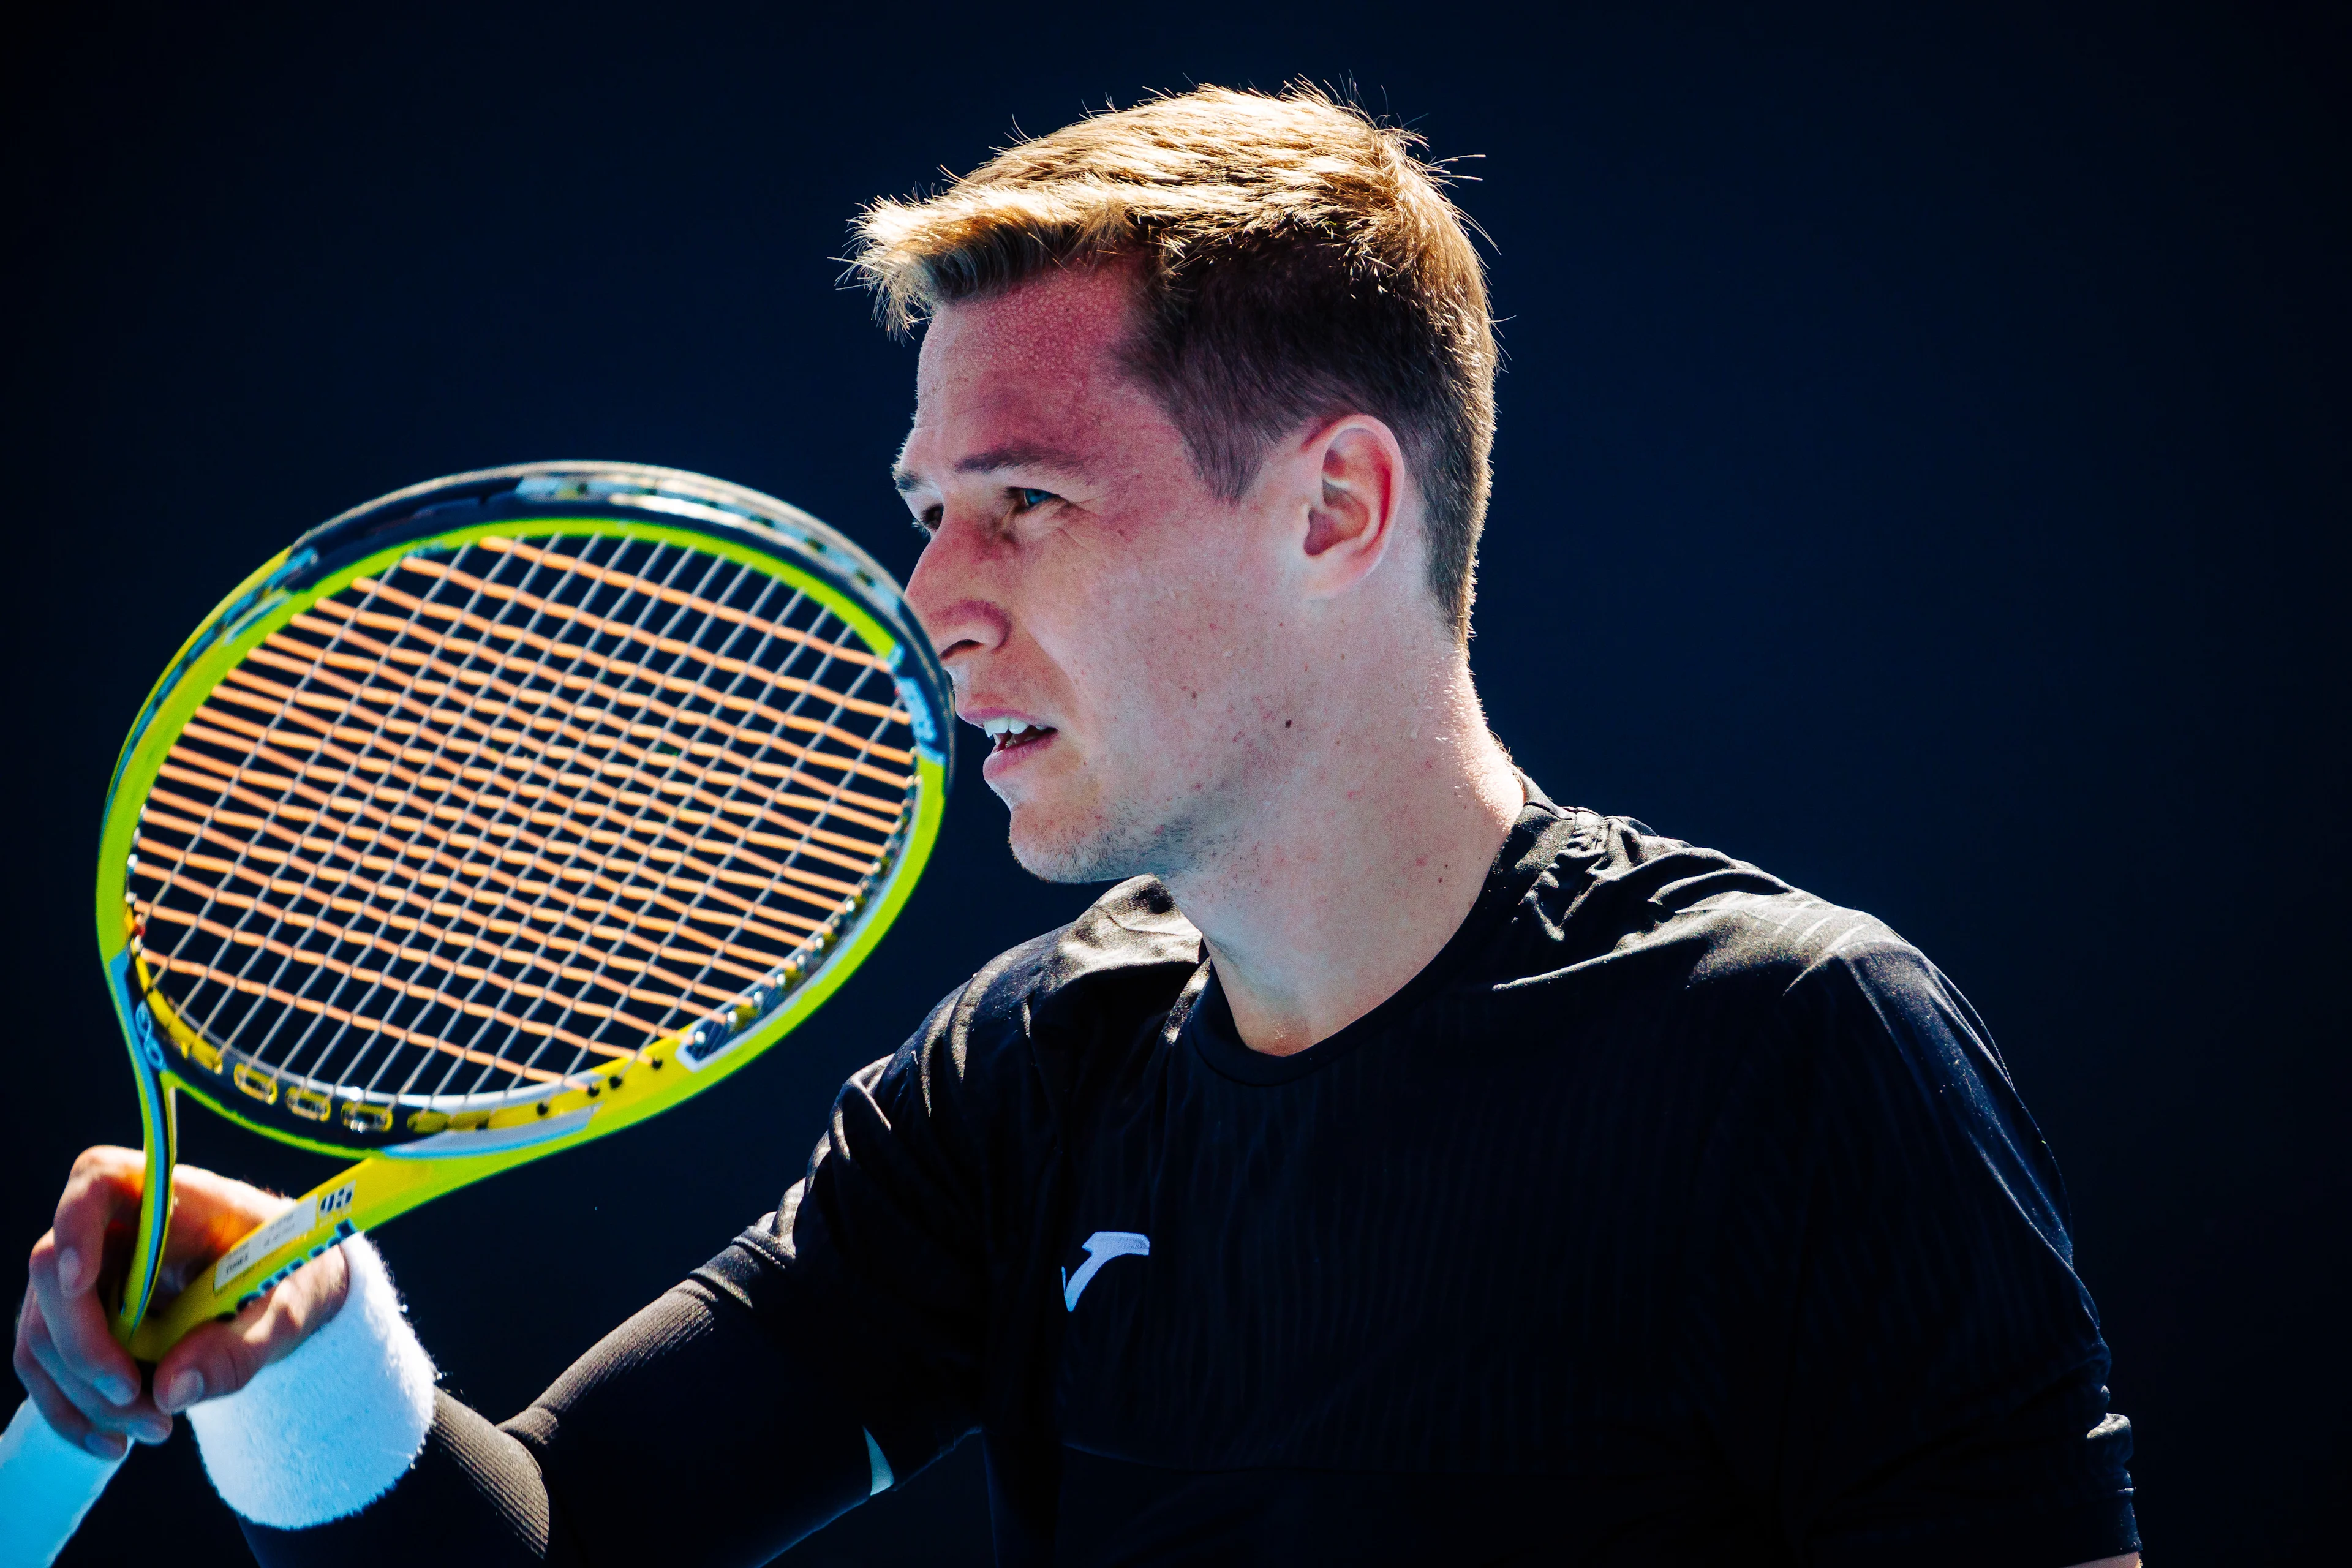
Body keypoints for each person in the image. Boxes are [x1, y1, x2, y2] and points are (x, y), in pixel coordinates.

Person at [14, 86, 2141, 1566]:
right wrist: (284, 1356)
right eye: (931, 512)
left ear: (1334, 506)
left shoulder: (1798, 1054)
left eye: (1027, 500)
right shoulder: (1027, 1083)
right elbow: (556, 1551)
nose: (933, 599)